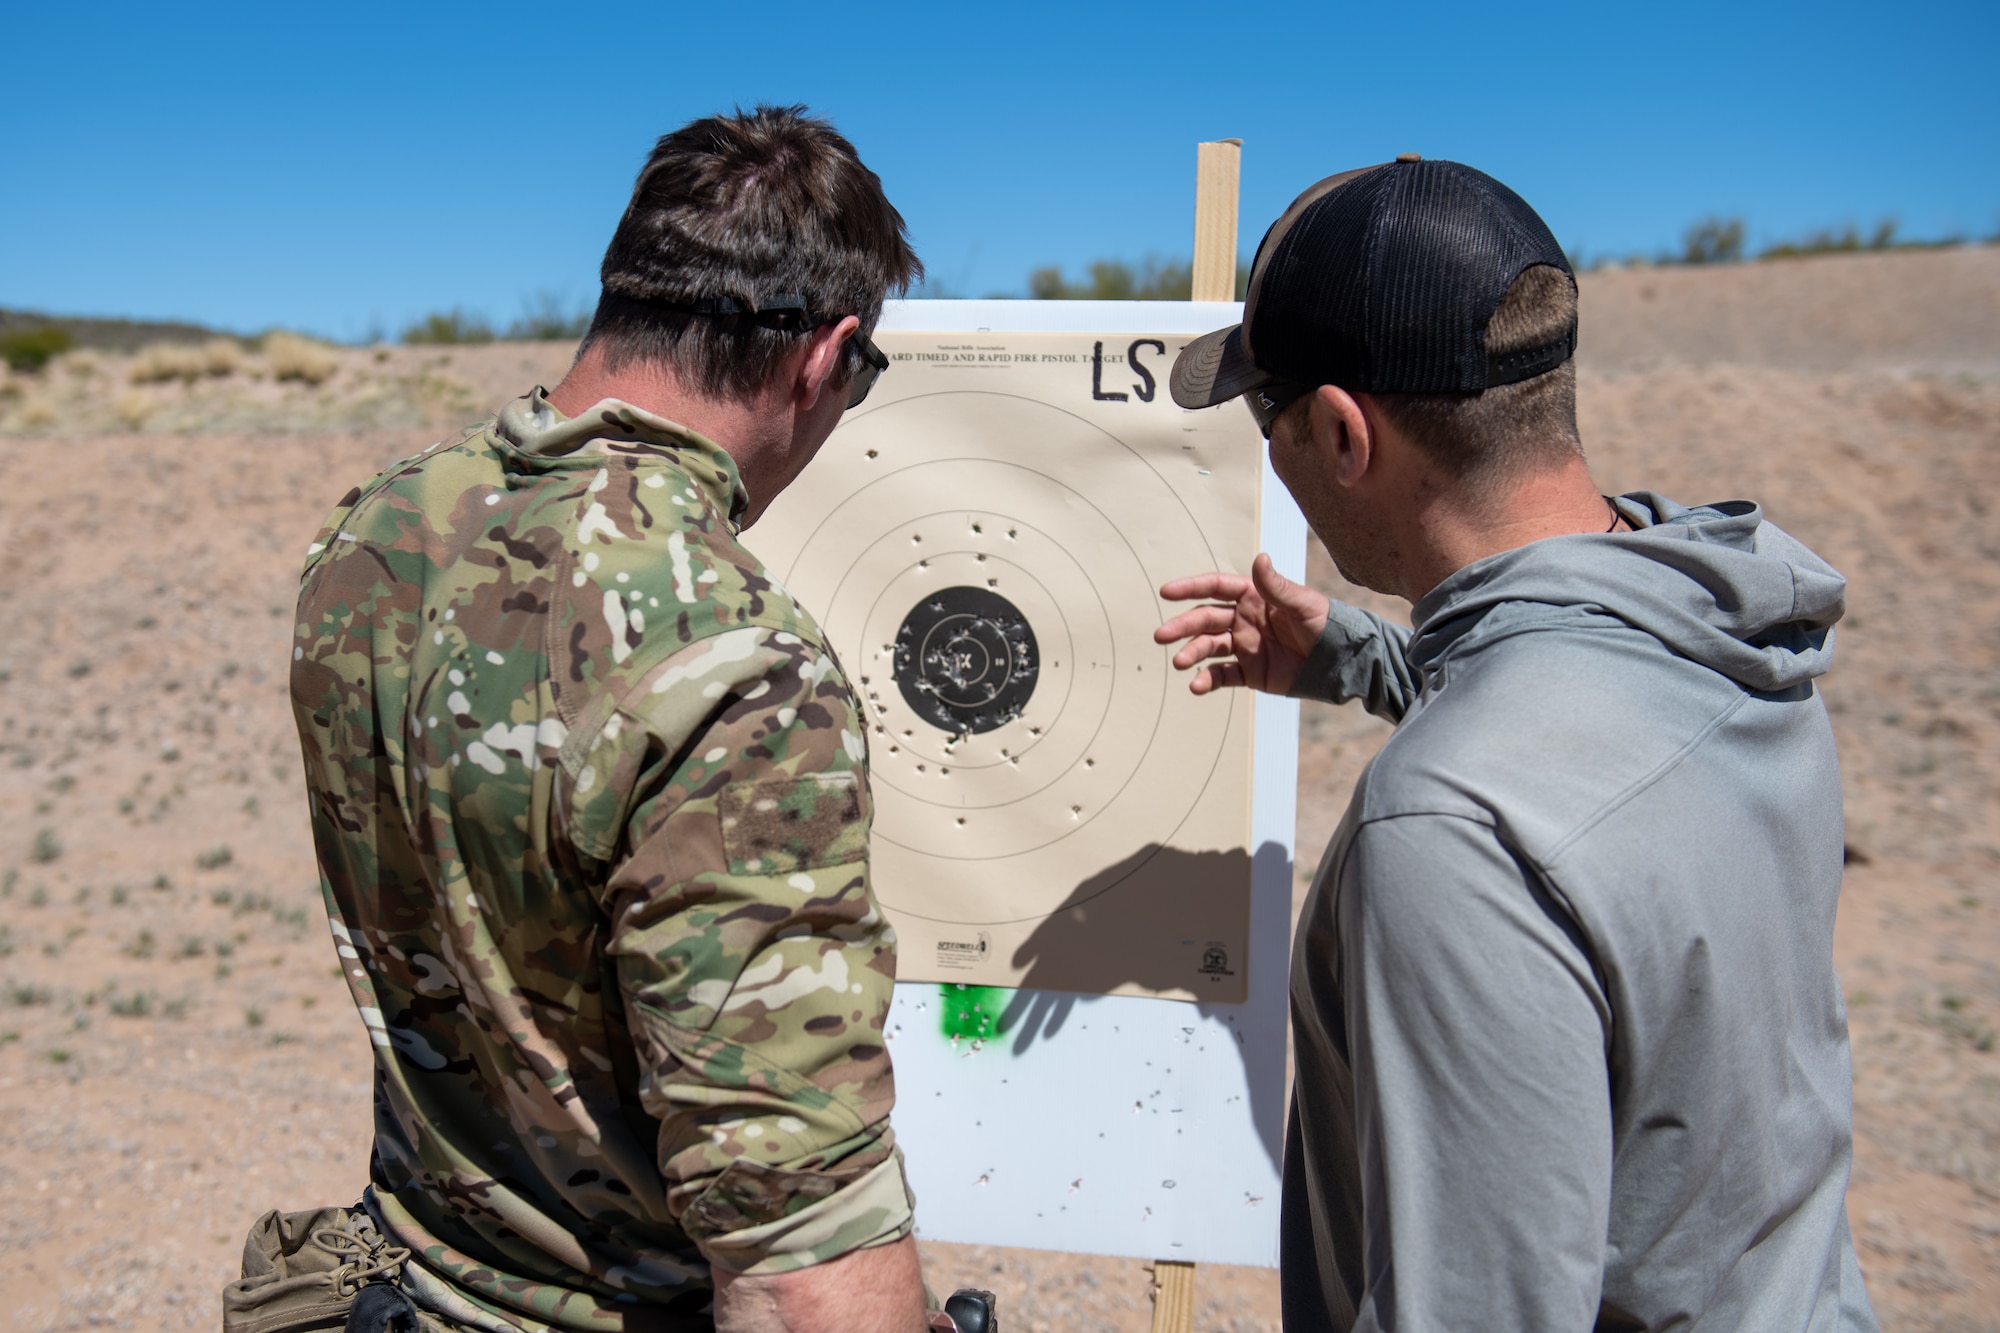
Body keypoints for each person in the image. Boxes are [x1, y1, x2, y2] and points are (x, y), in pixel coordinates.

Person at [226, 106, 940, 1333]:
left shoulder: (377, 531)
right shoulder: (734, 659)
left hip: (406, 1283)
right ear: (822, 359)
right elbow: (793, 1260)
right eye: (858, 376)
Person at [1157, 158, 1878, 1330]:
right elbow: (1586, 751)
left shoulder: (1453, 830)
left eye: (1265, 416)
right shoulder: (1724, 624)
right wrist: (1358, 658)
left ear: (1342, 433)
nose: (1269, 457)